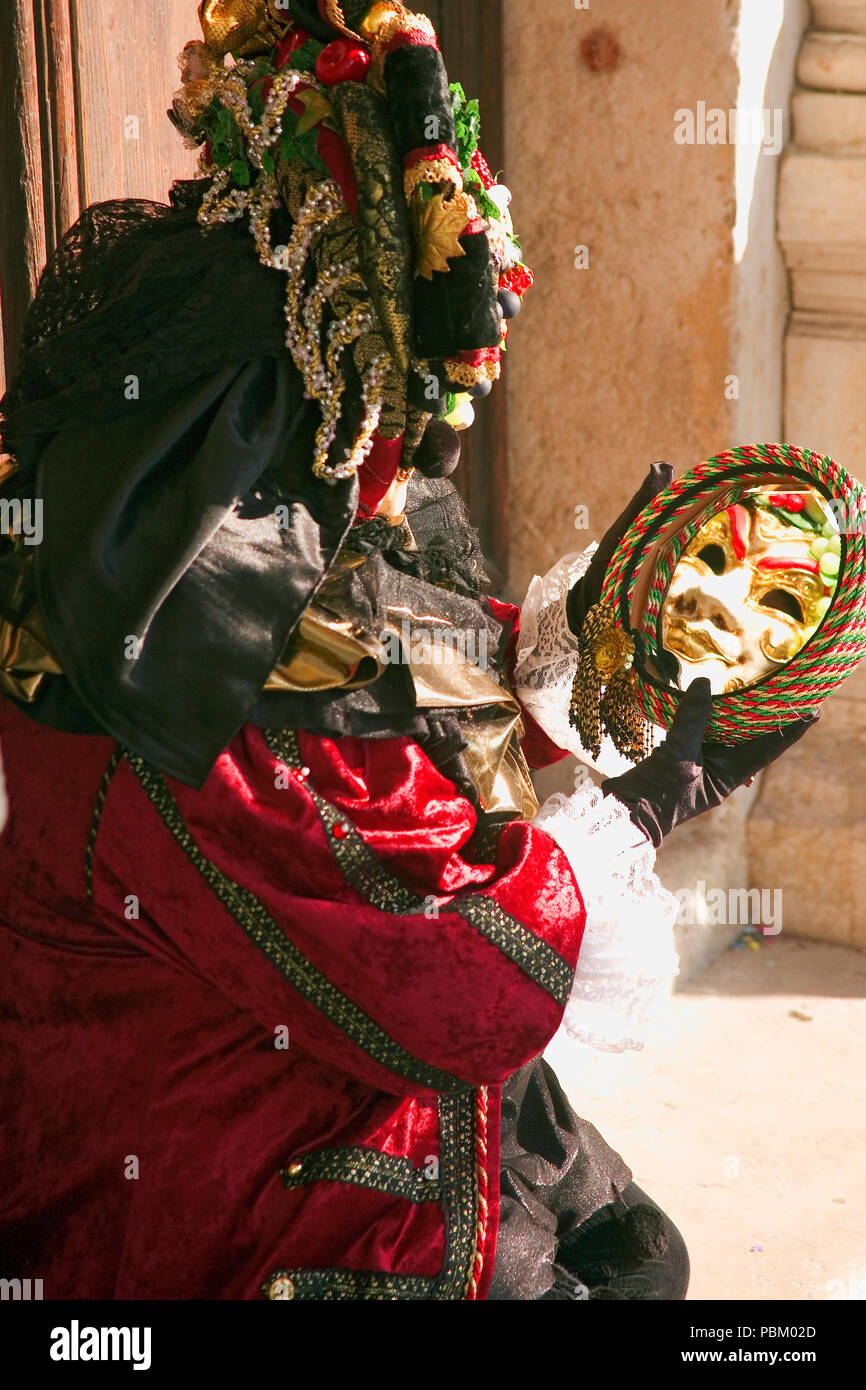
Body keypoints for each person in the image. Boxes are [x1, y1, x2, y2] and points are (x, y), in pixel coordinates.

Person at [0, 0, 814, 1301]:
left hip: (329, 1049)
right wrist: (643, 808)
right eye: (407, 409)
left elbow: (429, 694)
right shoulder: (191, 665)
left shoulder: (228, 518)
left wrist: (590, 643)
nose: (427, 455)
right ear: (313, 384)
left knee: (639, 1249)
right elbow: (463, 976)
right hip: (229, 1153)